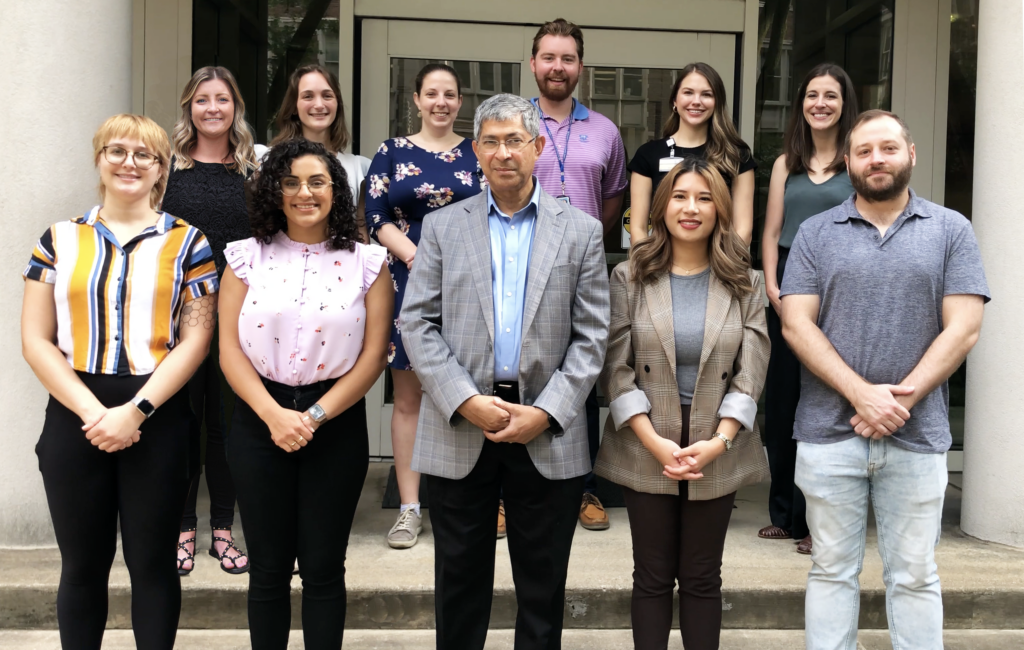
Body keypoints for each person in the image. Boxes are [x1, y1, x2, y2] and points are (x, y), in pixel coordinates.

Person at [401, 93, 609, 650]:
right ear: (476, 151)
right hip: (460, 426)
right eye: (490, 141)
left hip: (546, 431)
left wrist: (546, 411)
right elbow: (416, 323)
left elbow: (593, 338)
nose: (502, 153)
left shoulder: (582, 231)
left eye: (514, 140)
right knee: (458, 588)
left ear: (537, 147)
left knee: (542, 593)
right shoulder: (444, 227)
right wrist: (464, 400)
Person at [780, 110, 989, 650]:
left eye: (888, 148)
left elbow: (964, 328)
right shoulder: (814, 233)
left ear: (910, 154)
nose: (877, 159)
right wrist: (861, 394)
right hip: (829, 434)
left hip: (917, 437)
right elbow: (795, 324)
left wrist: (901, 399)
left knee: (916, 575)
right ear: (847, 161)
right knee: (830, 571)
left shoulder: (950, 229)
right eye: (865, 150)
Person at [21, 114, 218, 650]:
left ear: (162, 169)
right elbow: (36, 340)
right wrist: (94, 414)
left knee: (153, 564)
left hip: (157, 414)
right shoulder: (58, 239)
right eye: (118, 151)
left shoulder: (189, 243)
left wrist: (135, 412)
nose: (130, 163)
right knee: (82, 565)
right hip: (75, 415)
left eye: (145, 155)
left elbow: (195, 341)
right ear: (99, 159)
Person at [219, 138, 392, 650]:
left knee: (322, 568)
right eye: (291, 182)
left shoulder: (368, 263)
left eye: (317, 182)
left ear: (336, 190)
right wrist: (274, 415)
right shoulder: (244, 258)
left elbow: (374, 355)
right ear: (274, 191)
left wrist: (312, 416)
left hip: (334, 422)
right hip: (258, 419)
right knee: (267, 568)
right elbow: (228, 350)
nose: (304, 193)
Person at [595, 157, 770, 650]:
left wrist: (720, 440)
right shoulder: (628, 276)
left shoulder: (745, 281)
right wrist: (653, 442)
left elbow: (752, 369)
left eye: (704, 197)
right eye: (679, 196)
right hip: (646, 440)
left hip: (718, 442)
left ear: (719, 208)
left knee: (701, 576)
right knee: (650, 576)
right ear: (660, 205)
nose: (690, 208)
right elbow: (615, 366)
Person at [365, 63, 482, 549]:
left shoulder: (478, 152)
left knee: (463, 394)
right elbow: (373, 215)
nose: (441, 102)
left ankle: (468, 504)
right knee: (410, 398)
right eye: (431, 93)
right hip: (407, 280)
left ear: (460, 101)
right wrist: (416, 254)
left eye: (450, 94)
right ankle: (410, 509)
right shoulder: (391, 152)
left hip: (470, 286)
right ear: (415, 99)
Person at [529, 17, 627, 531]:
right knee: (518, 372)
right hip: (520, 267)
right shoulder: (511, 121)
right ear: (533, 64)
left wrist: (581, 238)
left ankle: (585, 489)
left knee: (581, 376)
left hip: (580, 271)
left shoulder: (605, 130)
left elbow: (614, 198)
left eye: (567, 58)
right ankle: (509, 490)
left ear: (580, 67)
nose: (558, 67)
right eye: (549, 57)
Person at [758, 63, 858, 555]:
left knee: (829, 407)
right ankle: (785, 513)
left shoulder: (856, 161)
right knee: (782, 407)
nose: (820, 103)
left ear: (844, 104)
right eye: (812, 94)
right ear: (802, 103)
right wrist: (774, 290)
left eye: (831, 96)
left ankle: (819, 522)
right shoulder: (785, 164)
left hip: (842, 287)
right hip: (789, 288)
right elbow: (773, 234)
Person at [164, 65, 257, 576]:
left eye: (222, 99)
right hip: (178, 319)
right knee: (182, 424)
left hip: (236, 319)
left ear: (235, 107)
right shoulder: (168, 170)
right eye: (203, 100)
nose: (213, 108)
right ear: (189, 108)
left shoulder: (251, 170)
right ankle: (182, 528)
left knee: (225, 426)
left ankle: (223, 529)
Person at [629, 62, 757, 247]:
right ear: (675, 100)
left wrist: (725, 270)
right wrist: (651, 271)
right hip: (660, 267)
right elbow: (638, 228)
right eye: (688, 92)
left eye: (706, 94)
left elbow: (743, 229)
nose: (696, 101)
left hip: (719, 268)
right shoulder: (648, 155)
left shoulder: (736, 155)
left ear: (717, 102)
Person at [257, 64, 370, 240]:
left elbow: (360, 230)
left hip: (341, 263)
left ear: (337, 104)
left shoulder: (360, 168)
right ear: (294, 105)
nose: (319, 105)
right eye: (308, 96)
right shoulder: (266, 160)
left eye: (327, 96)